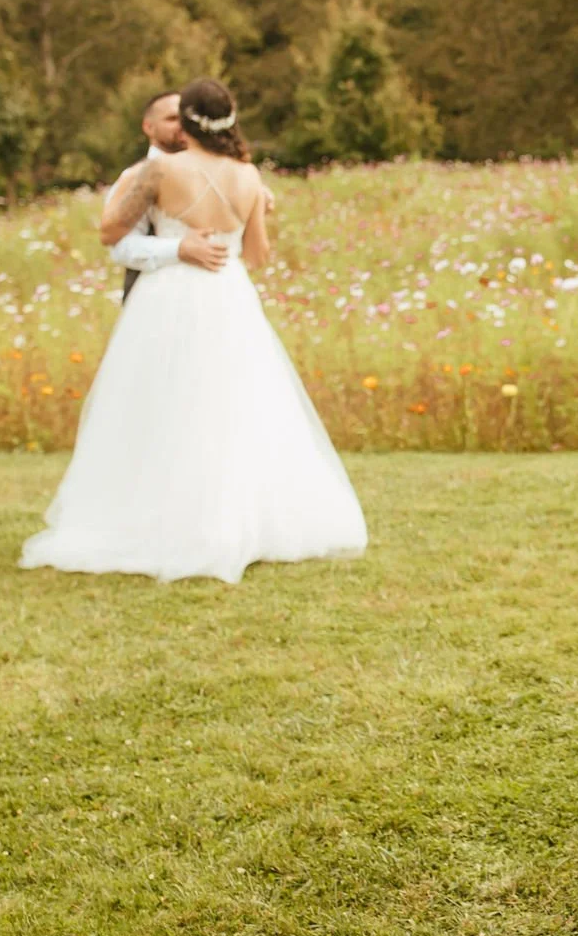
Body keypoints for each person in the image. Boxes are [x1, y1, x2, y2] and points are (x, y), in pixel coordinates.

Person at [19, 77, 368, 583]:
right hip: (229, 293)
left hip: (170, 296)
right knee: (234, 406)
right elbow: (257, 255)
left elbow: (109, 231)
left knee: (163, 401)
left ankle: (159, 519)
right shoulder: (249, 176)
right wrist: (250, 212)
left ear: (186, 121)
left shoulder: (159, 170)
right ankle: (237, 522)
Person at [111, 91, 232, 300]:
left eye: (184, 118)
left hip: (214, 295)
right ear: (148, 127)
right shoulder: (135, 176)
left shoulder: (216, 172)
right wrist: (178, 249)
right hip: (153, 299)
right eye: (171, 119)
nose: (181, 126)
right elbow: (120, 246)